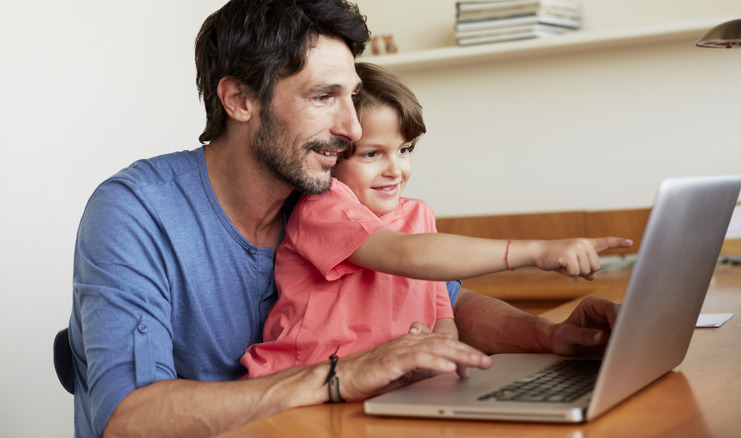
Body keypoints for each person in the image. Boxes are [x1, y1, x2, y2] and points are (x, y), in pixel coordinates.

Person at [66, 1, 628, 437]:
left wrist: (550, 338)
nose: (353, 128)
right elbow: (128, 419)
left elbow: (438, 296)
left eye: (352, 96)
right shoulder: (135, 213)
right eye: (323, 97)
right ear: (239, 99)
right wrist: (340, 374)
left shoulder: (321, 187)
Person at [240, 62, 632, 381]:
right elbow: (405, 254)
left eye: (405, 150)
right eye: (372, 154)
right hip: (300, 383)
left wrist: (443, 351)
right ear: (333, 154)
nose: (395, 169)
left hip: (380, 387)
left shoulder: (418, 214)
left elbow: (441, 309)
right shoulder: (323, 206)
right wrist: (536, 250)